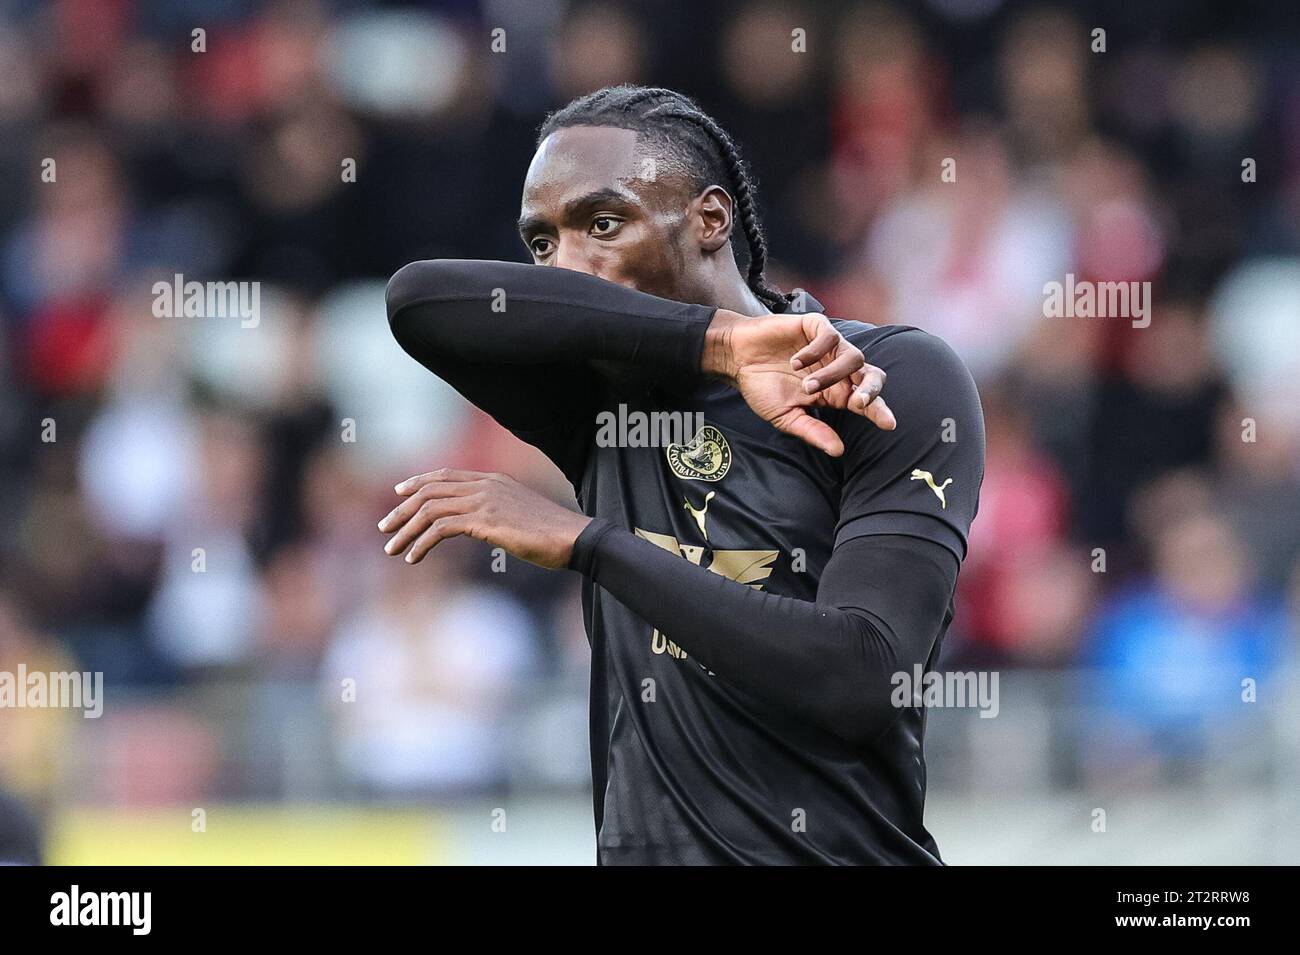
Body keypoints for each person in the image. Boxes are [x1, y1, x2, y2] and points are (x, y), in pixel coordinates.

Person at [379, 86, 984, 864]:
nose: (566, 265)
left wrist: (591, 544)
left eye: (602, 224)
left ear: (710, 219)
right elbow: (416, 301)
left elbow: (861, 673)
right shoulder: (595, 394)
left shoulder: (886, 376)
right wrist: (724, 342)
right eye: (541, 243)